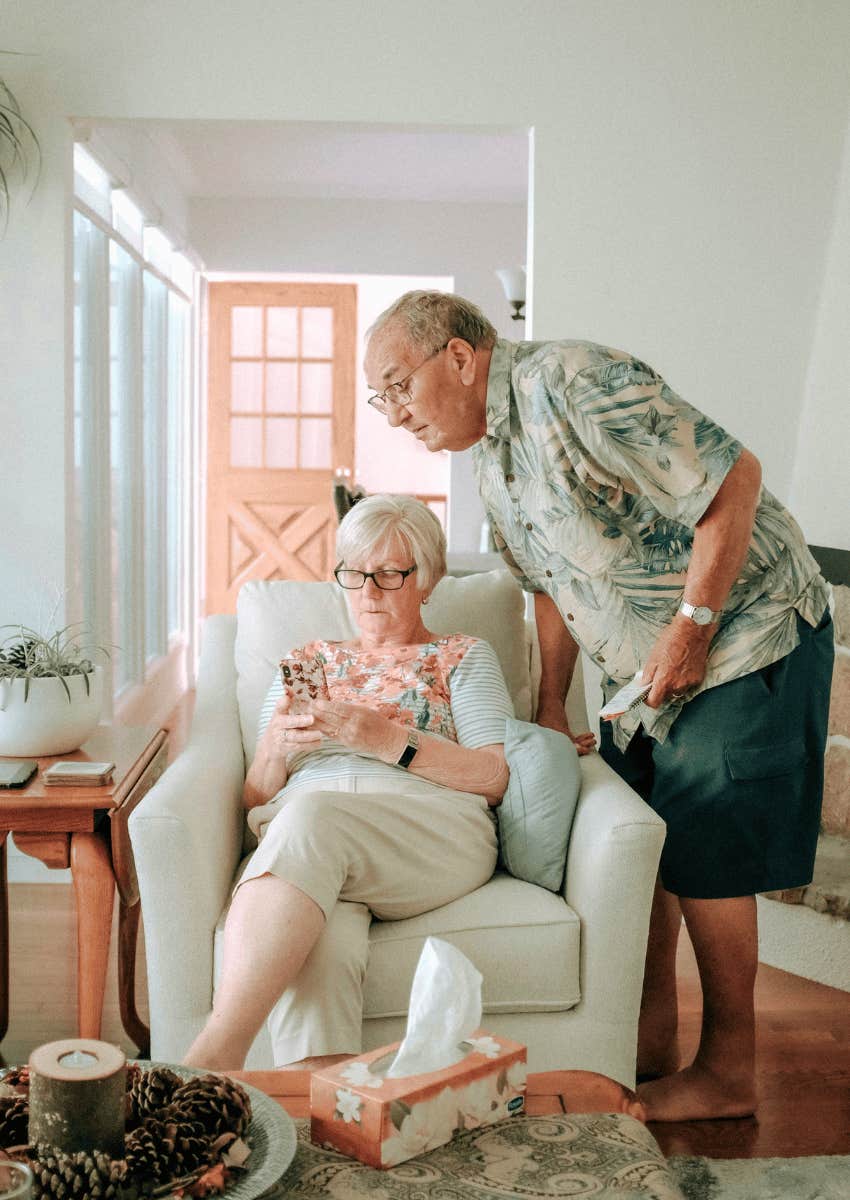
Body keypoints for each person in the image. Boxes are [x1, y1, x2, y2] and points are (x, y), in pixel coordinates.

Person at [363, 291, 833, 1123]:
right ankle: (647, 1045)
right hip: (641, 668)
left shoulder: (571, 382)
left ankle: (730, 1070)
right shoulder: (487, 457)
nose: (395, 413)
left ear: (462, 358)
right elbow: (552, 586)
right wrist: (550, 701)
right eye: (382, 399)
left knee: (706, 837)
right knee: (639, 837)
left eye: (399, 386)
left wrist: (691, 629)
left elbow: (736, 478)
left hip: (744, 627)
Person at [183, 494, 514, 1072]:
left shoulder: (461, 656)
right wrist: (274, 750)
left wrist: (387, 739)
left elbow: (493, 776)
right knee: (322, 938)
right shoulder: (309, 661)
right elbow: (257, 798)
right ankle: (322, 1113)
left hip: (430, 833)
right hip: (312, 836)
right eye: (355, 574)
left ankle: (212, 1058)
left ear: (428, 579)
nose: (368, 593)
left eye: (388, 574)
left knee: (313, 820)